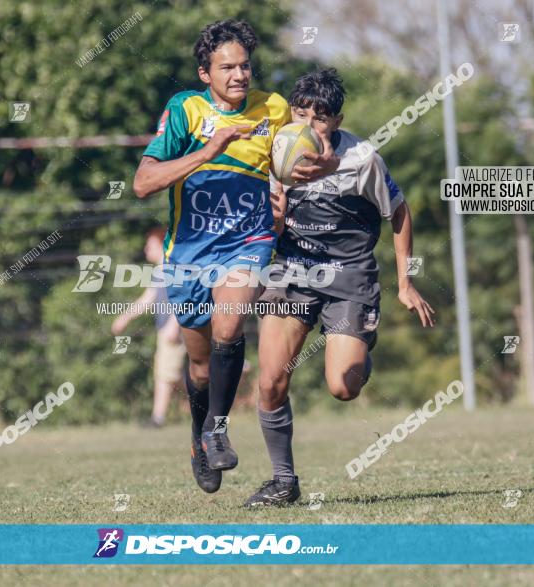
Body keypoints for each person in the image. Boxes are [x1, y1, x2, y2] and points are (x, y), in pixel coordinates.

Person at [133, 20, 338, 493]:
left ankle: (218, 428)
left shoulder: (275, 108)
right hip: (189, 250)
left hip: (249, 241)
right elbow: (144, 183)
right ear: (205, 73)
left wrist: (302, 179)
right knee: (200, 365)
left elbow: (299, 159)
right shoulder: (184, 110)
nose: (239, 74)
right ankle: (198, 434)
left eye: (245, 65)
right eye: (227, 67)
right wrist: (209, 149)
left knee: (230, 324)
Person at [245, 69, 436, 507]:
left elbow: (400, 212)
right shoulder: (276, 152)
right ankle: (283, 481)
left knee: (343, 387)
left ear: (338, 119)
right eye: (301, 112)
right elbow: (268, 226)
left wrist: (405, 282)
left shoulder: (361, 158)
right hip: (293, 269)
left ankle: (358, 350)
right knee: (271, 379)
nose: (310, 124)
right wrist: (271, 225)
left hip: (349, 273)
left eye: (322, 116)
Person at [111, 227, 185, 428]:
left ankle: (158, 418)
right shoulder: (159, 271)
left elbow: (184, 299)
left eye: (150, 245)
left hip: (175, 330)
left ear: (162, 245)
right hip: (165, 329)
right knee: (174, 375)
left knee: (165, 373)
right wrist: (125, 318)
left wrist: (174, 324)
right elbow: (148, 299)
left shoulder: (173, 268)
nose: (145, 249)